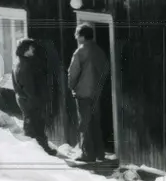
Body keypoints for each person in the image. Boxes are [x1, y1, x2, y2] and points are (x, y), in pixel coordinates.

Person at [67, 23, 109, 163]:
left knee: (84, 124)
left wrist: (72, 87)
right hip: (96, 93)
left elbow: (73, 73)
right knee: (95, 123)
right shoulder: (99, 51)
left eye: (77, 34)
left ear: (83, 36)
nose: (75, 36)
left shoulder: (80, 52)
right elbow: (105, 71)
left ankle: (87, 155)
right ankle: (100, 153)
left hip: (83, 94)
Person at [12, 38, 57, 156]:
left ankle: (40, 150)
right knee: (34, 126)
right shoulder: (24, 66)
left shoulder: (21, 62)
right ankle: (40, 151)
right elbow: (29, 87)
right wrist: (36, 101)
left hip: (26, 100)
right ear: (25, 50)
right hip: (30, 101)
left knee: (33, 125)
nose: (33, 49)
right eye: (31, 47)